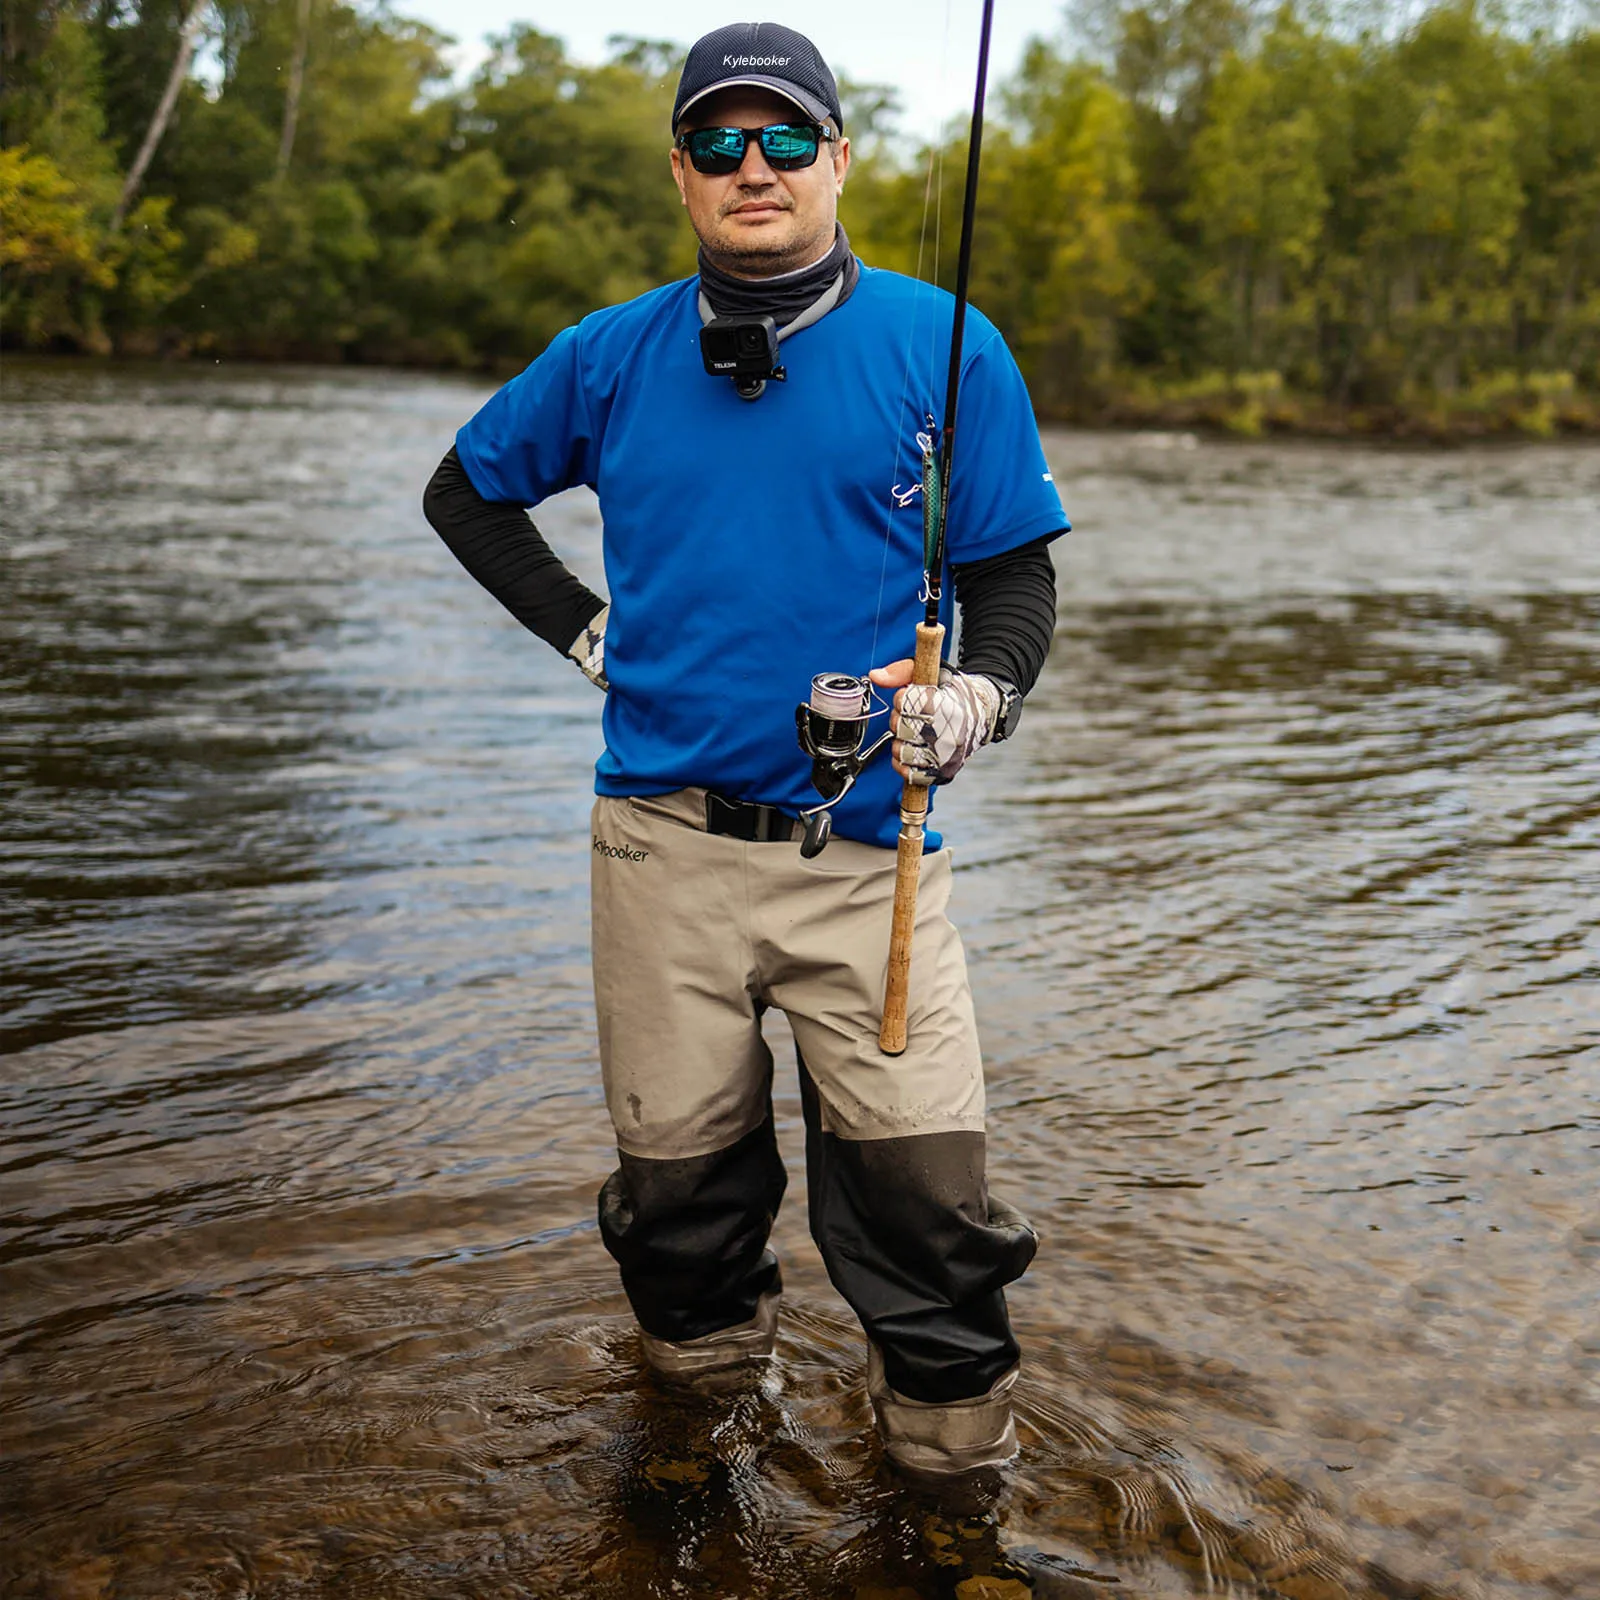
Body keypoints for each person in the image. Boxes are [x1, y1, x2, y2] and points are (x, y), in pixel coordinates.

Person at [423, 21, 1068, 1479]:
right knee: (679, 1219)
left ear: (839, 159)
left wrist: (979, 696)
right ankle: (693, 1458)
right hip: (660, 852)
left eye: (785, 138)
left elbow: (1014, 574)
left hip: (873, 856)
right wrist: (586, 633)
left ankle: (953, 1503)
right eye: (719, 142)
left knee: (931, 1219)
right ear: (682, 174)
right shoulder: (606, 353)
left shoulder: (945, 345)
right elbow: (464, 491)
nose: (752, 167)